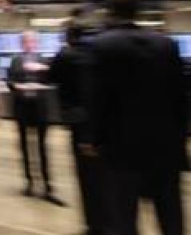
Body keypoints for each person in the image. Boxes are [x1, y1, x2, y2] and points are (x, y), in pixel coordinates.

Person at [87, 0, 188, 235]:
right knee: (170, 217)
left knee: (124, 218)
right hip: (164, 146)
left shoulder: (100, 45)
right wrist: (180, 142)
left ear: (109, 12)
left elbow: (97, 98)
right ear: (138, 11)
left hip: (120, 148)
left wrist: (93, 139)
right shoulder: (166, 45)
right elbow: (180, 99)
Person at [49, 20, 110, 234]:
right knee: (105, 176)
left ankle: (94, 225)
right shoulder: (97, 54)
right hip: (104, 123)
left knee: (86, 177)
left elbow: (51, 77)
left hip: (79, 125)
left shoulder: (65, 56)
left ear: (67, 36)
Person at [8, 30, 64, 205]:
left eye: (32, 41)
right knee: (25, 147)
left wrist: (43, 70)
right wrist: (17, 87)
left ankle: (47, 185)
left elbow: (53, 79)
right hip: (23, 109)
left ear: (36, 42)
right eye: (26, 41)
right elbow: (9, 81)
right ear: (21, 43)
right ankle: (29, 182)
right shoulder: (15, 60)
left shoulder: (43, 60)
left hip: (40, 110)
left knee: (42, 148)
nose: (29, 43)